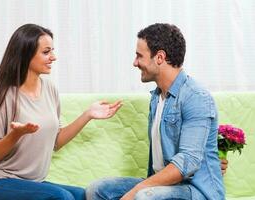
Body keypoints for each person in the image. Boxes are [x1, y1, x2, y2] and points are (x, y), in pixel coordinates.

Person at [0, 24, 122, 200]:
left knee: (84, 196)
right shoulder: (3, 96)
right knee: (62, 198)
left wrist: (88, 115)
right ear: (26, 54)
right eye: (46, 52)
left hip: (34, 183)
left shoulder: (49, 89)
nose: (53, 57)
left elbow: (56, 142)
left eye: (52, 51)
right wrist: (15, 135)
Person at [86, 23, 225, 200]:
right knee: (96, 189)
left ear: (159, 57)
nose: (135, 63)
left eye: (139, 56)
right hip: (164, 186)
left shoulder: (196, 97)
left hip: (196, 191)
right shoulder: (157, 97)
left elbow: (188, 162)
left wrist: (135, 192)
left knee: (144, 196)